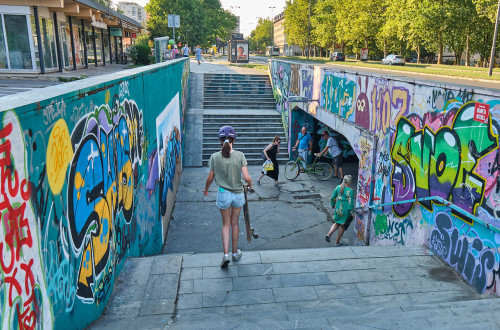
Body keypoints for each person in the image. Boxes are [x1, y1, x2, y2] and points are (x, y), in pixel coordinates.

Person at [204, 126, 253, 268]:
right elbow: (247, 177)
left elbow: (210, 178)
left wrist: (206, 190)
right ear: (234, 140)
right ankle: (235, 253)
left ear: (220, 141)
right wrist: (250, 186)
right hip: (238, 194)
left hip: (223, 194)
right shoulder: (240, 155)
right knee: (234, 223)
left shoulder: (214, 157)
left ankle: (225, 255)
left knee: (225, 224)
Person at [325, 175, 354, 246]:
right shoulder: (350, 191)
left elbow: (333, 198)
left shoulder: (338, 187)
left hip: (338, 207)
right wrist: (352, 212)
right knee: (342, 226)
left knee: (337, 222)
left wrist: (333, 204)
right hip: (345, 210)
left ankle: (329, 234)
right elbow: (350, 203)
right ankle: (337, 242)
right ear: (349, 182)